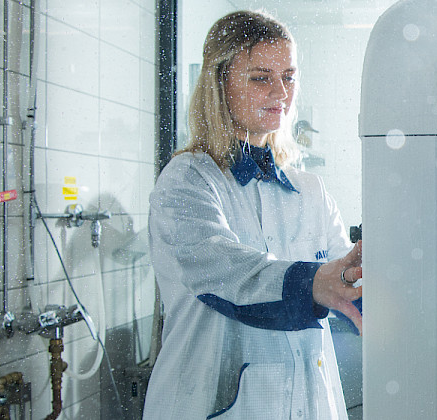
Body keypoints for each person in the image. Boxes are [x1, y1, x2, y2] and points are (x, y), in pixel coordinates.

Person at [144, 10, 361, 419]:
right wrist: (315, 283)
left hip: (308, 403)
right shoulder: (188, 180)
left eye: (289, 77)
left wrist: (371, 282)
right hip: (215, 404)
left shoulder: (310, 190)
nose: (281, 92)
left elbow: (346, 278)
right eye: (261, 78)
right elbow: (230, 276)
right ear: (219, 83)